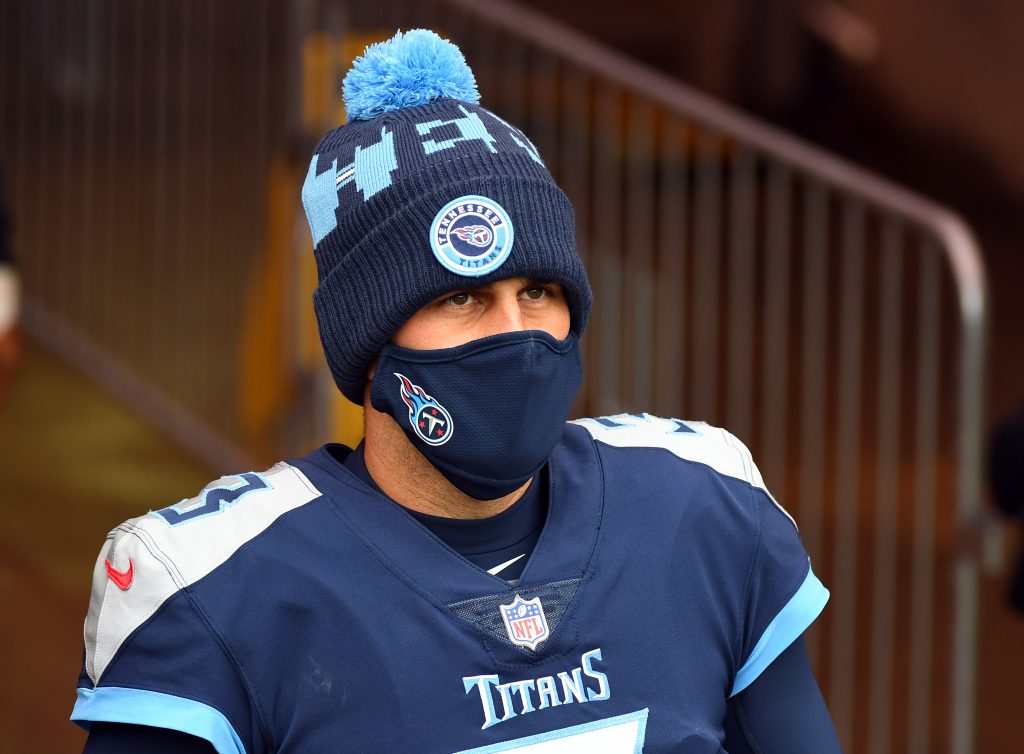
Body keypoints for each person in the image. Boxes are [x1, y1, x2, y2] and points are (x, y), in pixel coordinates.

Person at [72, 30, 840, 753]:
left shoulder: (702, 508)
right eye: (461, 298)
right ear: (372, 348)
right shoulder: (211, 592)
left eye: (538, 290)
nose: (515, 333)